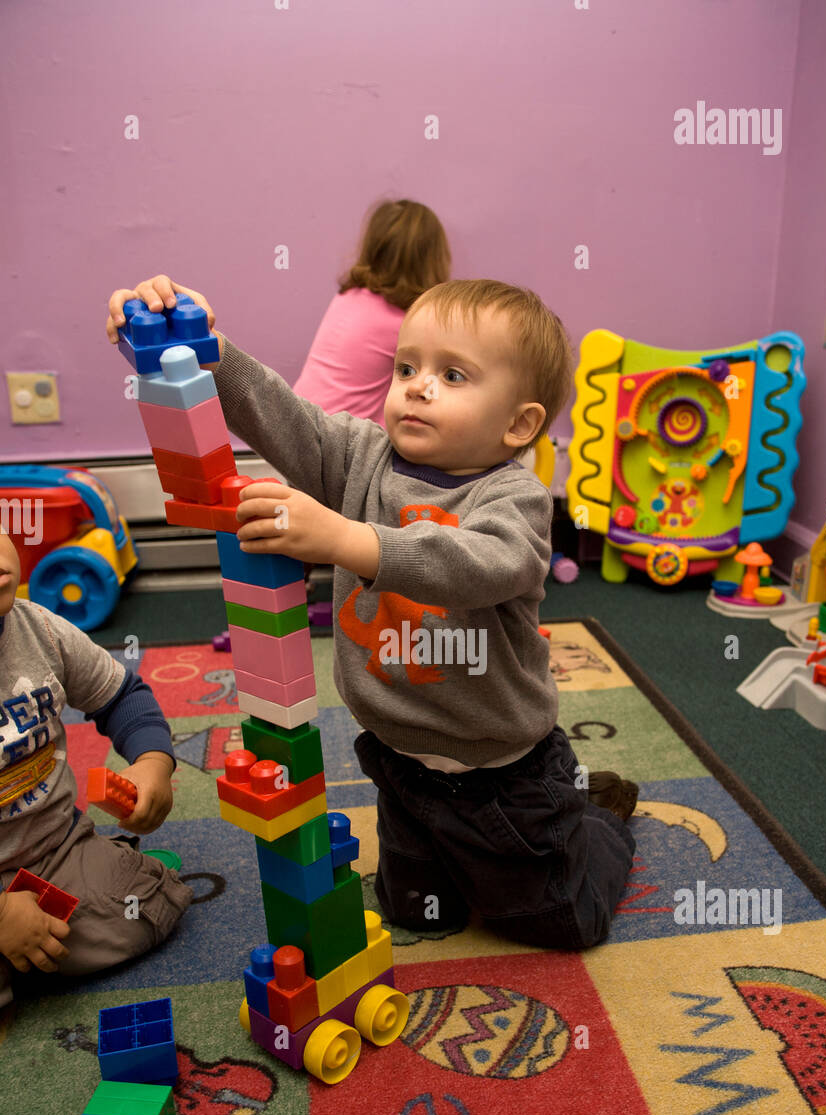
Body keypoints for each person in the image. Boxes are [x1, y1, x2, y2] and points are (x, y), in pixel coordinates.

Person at [106, 274, 636, 951]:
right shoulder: (363, 458)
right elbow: (281, 414)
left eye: (452, 375)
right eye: (407, 367)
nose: (417, 386)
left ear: (519, 424)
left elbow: (478, 564)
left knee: (563, 923)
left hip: (502, 776)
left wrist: (346, 540)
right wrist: (205, 350)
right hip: (398, 763)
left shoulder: (516, 498)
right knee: (416, 914)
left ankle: (597, 821)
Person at [0, 527, 193, 1008]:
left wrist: (152, 762)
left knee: (150, 903)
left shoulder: (40, 628)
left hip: (55, 850)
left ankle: (27, 954)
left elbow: (122, 696)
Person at [293, 199, 451, 427]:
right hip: (334, 440)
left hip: (296, 423)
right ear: (431, 259)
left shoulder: (347, 296)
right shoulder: (407, 323)